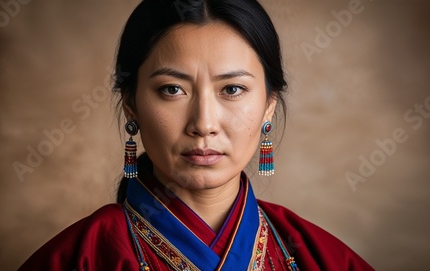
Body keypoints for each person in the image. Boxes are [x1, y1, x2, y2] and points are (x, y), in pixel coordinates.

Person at [19, 0, 374, 270]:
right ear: (131, 104)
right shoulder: (80, 257)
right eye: (172, 90)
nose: (203, 123)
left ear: (268, 105)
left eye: (232, 89)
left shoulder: (321, 257)